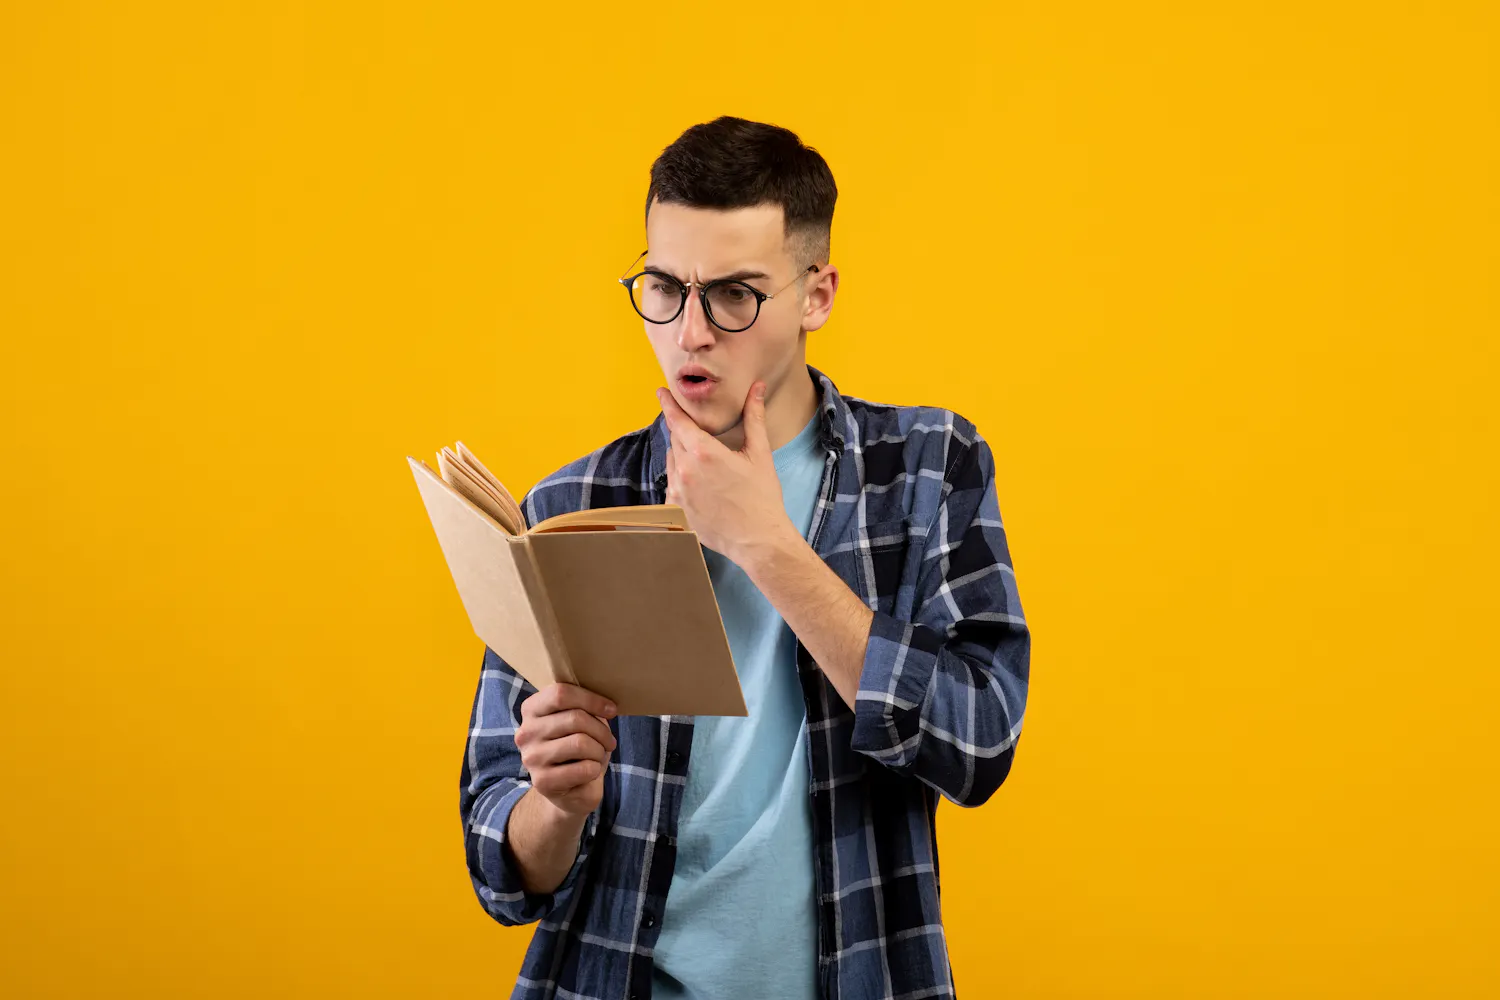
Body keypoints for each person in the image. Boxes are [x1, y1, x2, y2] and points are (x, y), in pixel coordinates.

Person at [460, 116, 1030, 1000]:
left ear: (816, 294)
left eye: (734, 294)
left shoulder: (925, 469)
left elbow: (980, 740)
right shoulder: (567, 511)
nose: (690, 333)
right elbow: (501, 867)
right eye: (663, 287)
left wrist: (766, 544)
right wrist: (557, 806)